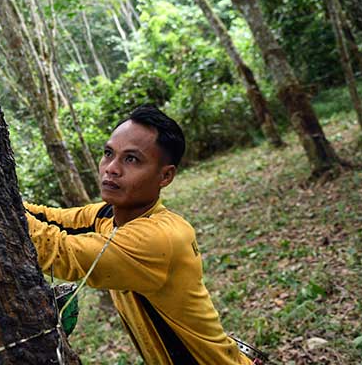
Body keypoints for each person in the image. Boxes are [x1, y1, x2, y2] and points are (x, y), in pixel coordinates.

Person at [24, 105, 252, 364]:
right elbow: (48, 218)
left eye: (131, 159)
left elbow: (55, 250)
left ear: (165, 176)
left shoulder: (159, 238)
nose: (111, 168)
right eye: (108, 153)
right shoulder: (107, 215)